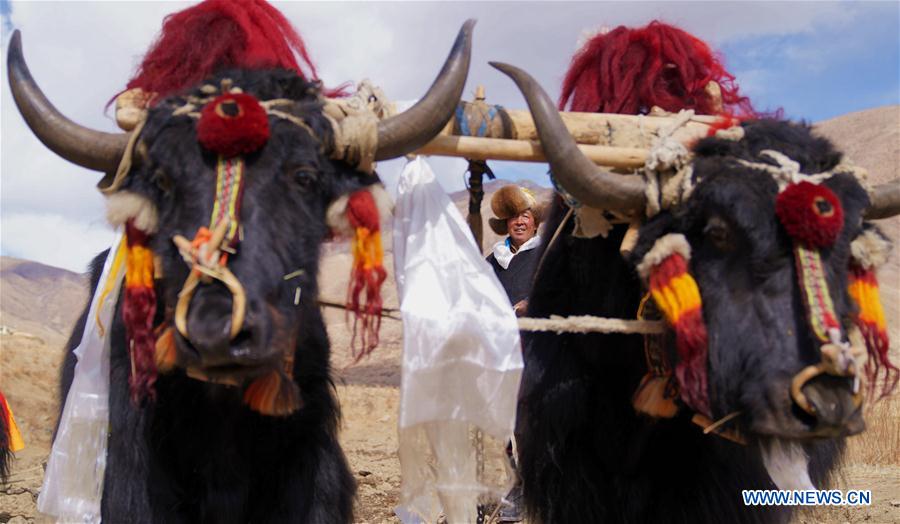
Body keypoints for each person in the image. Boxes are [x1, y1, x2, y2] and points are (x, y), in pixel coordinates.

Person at [485, 185, 543, 318]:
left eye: (525, 216)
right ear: (507, 224)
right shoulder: (491, 261)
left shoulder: (547, 256)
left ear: (535, 224)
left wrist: (530, 304)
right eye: (513, 217)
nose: (519, 222)